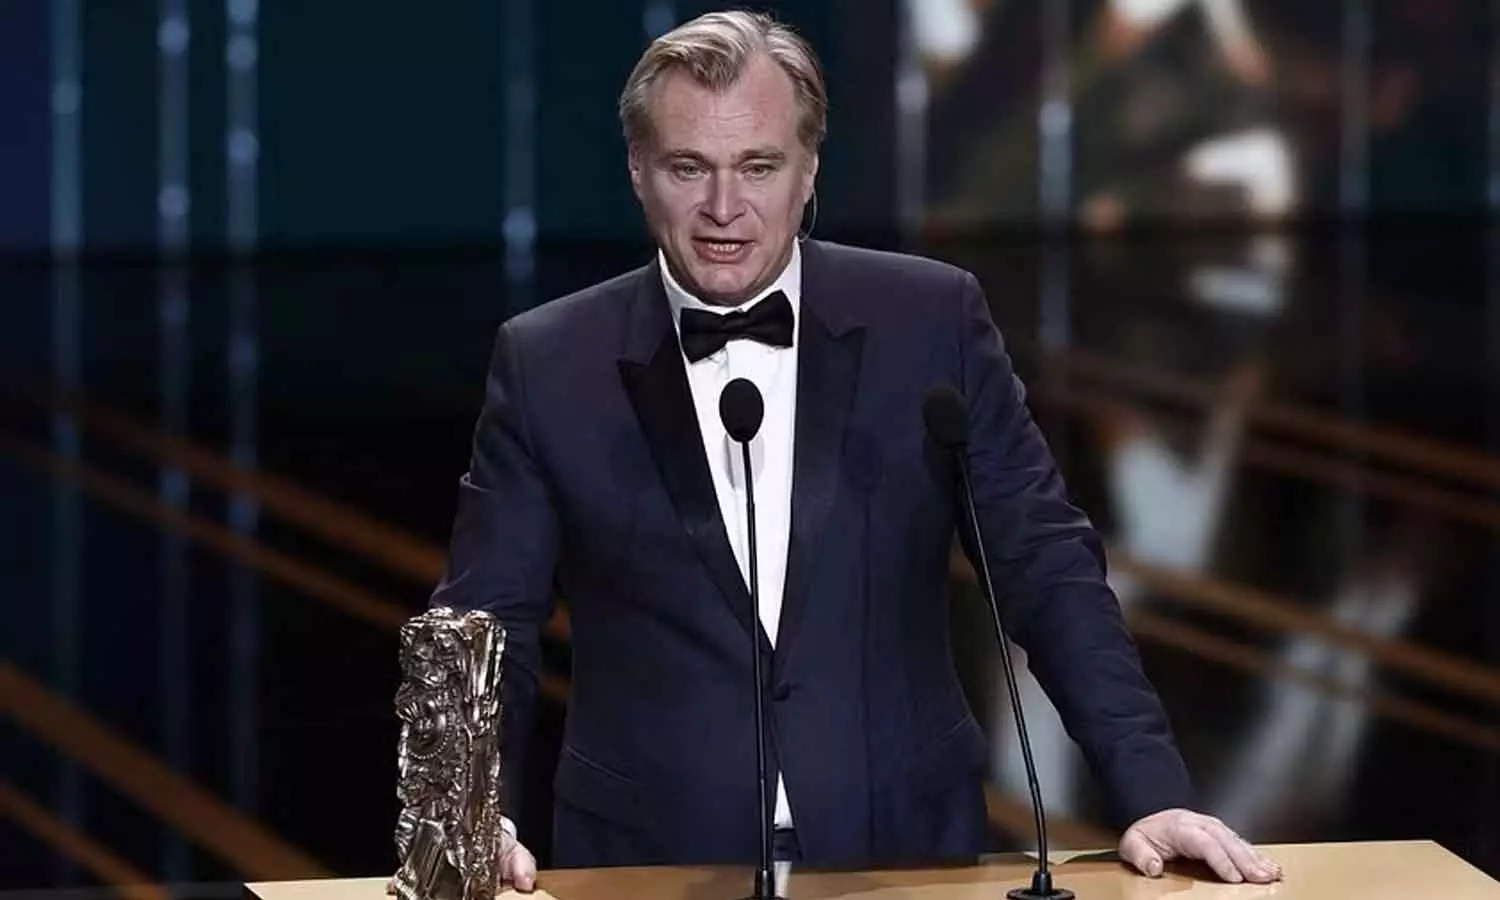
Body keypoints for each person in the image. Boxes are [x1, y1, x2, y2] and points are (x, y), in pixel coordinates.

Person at [427, 8, 1283, 891]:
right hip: (649, 863)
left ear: (809, 171)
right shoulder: (548, 361)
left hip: (906, 852)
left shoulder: (930, 321)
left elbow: (1045, 565)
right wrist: (469, 817)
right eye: (690, 168)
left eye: (759, 166)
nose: (724, 207)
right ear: (639, 171)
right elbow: (485, 627)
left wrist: (1151, 791)